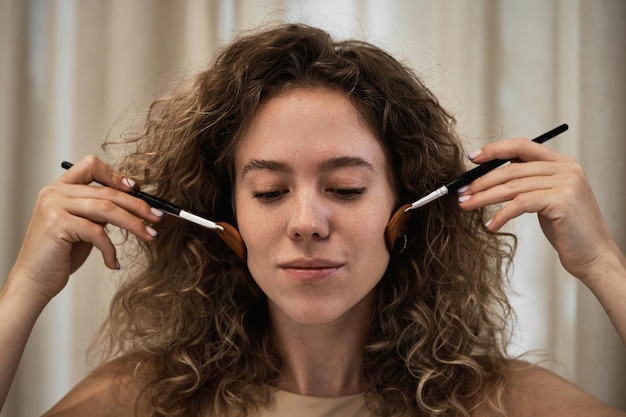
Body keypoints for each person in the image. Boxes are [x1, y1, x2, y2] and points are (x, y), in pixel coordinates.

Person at [1, 23, 625, 417]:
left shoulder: (502, 404)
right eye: (270, 191)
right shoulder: (140, 401)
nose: (307, 222)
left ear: (407, 205)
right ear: (226, 214)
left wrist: (603, 265)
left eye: (347, 188)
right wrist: (24, 290)